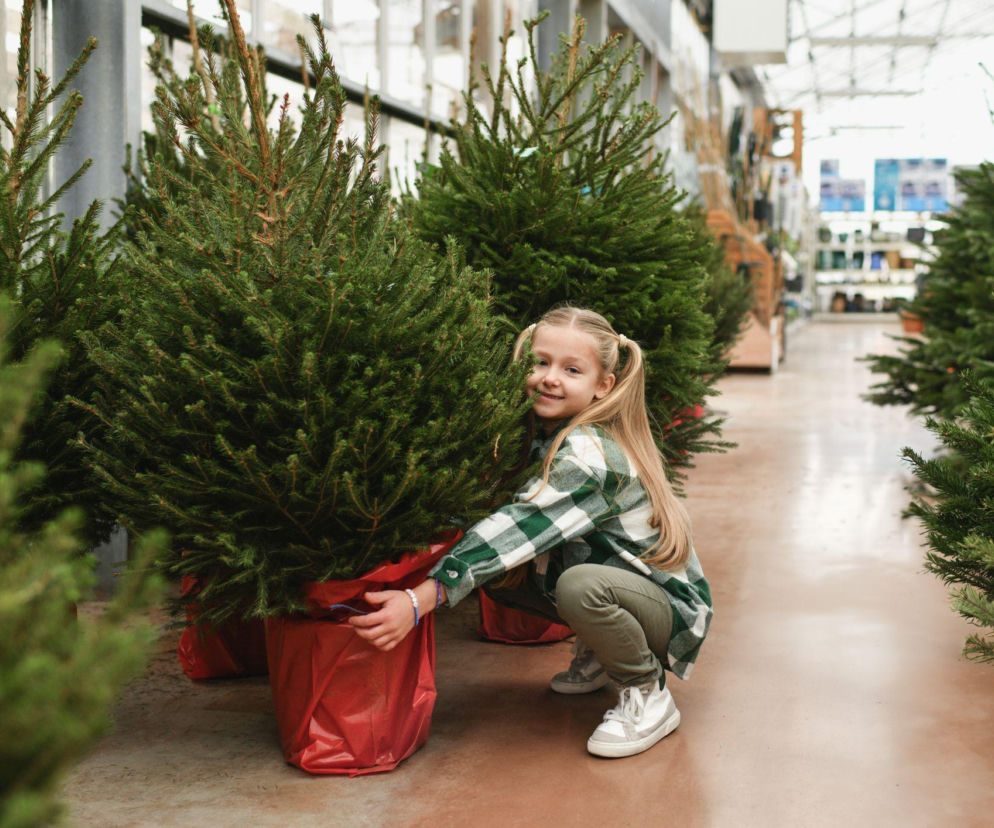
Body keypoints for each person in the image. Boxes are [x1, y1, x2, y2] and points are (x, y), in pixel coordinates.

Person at [349, 306, 712, 758]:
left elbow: (518, 527)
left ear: (604, 386)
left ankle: (646, 693)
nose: (549, 378)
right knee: (503, 578)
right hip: (623, 585)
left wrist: (421, 597)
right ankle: (604, 652)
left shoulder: (589, 456)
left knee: (578, 585)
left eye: (571, 369)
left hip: (670, 608)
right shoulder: (541, 431)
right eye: (540, 362)